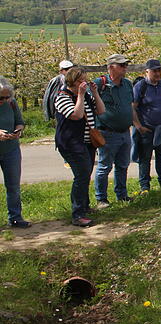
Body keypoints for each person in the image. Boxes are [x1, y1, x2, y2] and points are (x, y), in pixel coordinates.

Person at [55, 67, 105, 227]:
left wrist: (95, 93)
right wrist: (81, 95)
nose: (86, 82)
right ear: (75, 81)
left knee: (86, 174)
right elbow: (76, 115)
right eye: (83, 79)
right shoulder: (62, 97)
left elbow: (101, 110)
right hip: (71, 144)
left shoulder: (87, 95)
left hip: (87, 142)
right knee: (82, 175)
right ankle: (77, 214)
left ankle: (84, 207)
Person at [93, 54, 134, 209]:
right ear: (110, 67)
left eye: (125, 65)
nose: (125, 68)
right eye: (121, 65)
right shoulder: (100, 84)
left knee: (123, 165)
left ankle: (122, 195)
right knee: (104, 166)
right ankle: (101, 199)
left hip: (125, 131)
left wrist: (136, 123)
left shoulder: (128, 84)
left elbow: (130, 106)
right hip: (107, 132)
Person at [132, 59, 161, 192]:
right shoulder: (140, 87)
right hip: (147, 129)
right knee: (145, 158)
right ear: (147, 71)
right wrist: (139, 126)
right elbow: (133, 107)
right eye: (154, 71)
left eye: (159, 70)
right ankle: (145, 186)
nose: (158, 73)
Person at [0, 78, 28, 228]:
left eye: (7, 97)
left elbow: (19, 121)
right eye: (1, 97)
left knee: (13, 186)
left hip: (11, 149)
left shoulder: (11, 103)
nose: (4, 100)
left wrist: (18, 130)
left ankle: (15, 218)